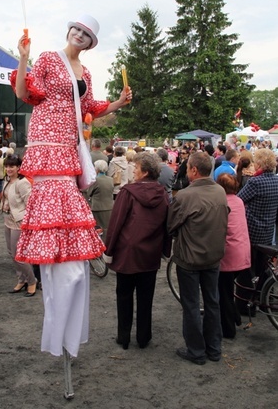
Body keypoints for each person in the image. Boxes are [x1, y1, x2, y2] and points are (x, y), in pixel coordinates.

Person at [12, 14, 132, 359]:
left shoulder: (86, 73)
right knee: (56, 199)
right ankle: (52, 262)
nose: (79, 35)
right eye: (77, 29)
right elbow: (24, 92)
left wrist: (119, 103)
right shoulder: (50, 58)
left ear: (91, 42)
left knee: (68, 201)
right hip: (47, 140)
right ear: (69, 31)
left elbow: (90, 107)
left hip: (70, 142)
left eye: (87, 34)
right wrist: (23, 58)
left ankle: (69, 258)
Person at [167, 152, 228, 365]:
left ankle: (196, 350)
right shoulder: (220, 191)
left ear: (193, 170)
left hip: (190, 259)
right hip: (213, 256)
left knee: (192, 305)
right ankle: (214, 348)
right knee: (212, 302)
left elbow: (171, 225)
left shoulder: (184, 196)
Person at [104, 152, 169, 349]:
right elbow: (167, 225)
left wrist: (109, 250)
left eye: (136, 167)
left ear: (145, 172)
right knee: (145, 297)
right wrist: (165, 249)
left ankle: (124, 337)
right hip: (150, 253)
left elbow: (115, 224)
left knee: (124, 296)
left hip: (128, 253)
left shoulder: (128, 193)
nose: (133, 170)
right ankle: (143, 337)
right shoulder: (163, 194)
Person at [216, 174, 251, 338]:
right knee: (228, 289)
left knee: (224, 292)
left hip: (228, 254)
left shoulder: (222, 203)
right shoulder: (238, 201)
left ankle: (228, 329)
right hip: (242, 250)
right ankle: (235, 317)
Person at [237, 148, 278, 278]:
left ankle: (248, 291)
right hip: (268, 230)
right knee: (263, 264)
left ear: (259, 164)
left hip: (252, 230)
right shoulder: (276, 181)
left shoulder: (255, 182)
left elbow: (239, 200)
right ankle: (261, 292)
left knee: (250, 266)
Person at [0, 154, 36, 296]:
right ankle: (22, 279)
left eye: (12, 166)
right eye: (7, 166)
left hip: (19, 222)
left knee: (18, 255)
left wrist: (27, 222)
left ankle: (32, 281)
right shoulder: (7, 180)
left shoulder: (22, 182)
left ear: (18, 168)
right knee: (11, 253)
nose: (9, 169)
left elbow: (30, 203)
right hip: (8, 219)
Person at [86, 159, 114, 238]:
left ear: (97, 169)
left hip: (97, 207)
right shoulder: (110, 180)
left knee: (98, 229)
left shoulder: (95, 180)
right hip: (109, 206)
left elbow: (88, 193)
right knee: (106, 228)